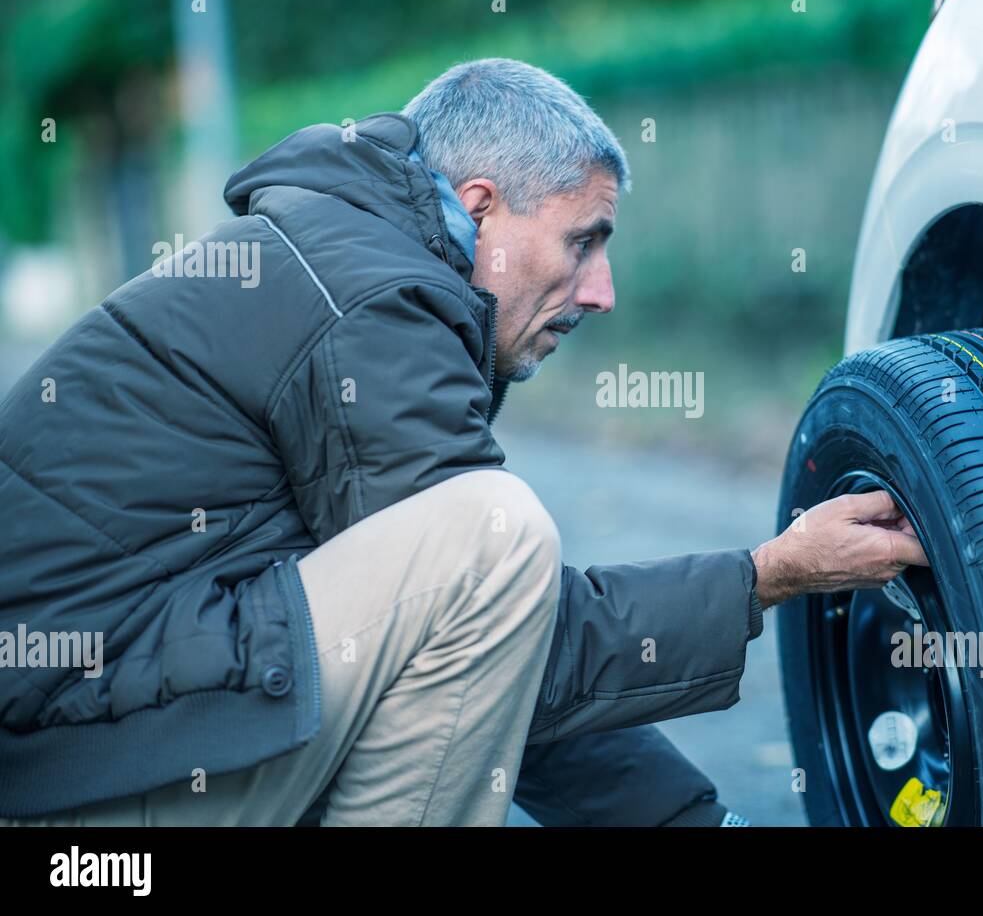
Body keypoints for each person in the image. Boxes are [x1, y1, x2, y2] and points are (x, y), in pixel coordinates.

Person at [0, 58, 927, 827]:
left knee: (485, 559)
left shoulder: (341, 261)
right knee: (491, 534)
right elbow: (522, 628)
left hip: (89, 747)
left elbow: (491, 661)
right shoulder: (369, 300)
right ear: (479, 210)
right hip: (82, 786)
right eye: (583, 242)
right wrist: (768, 574)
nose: (602, 291)